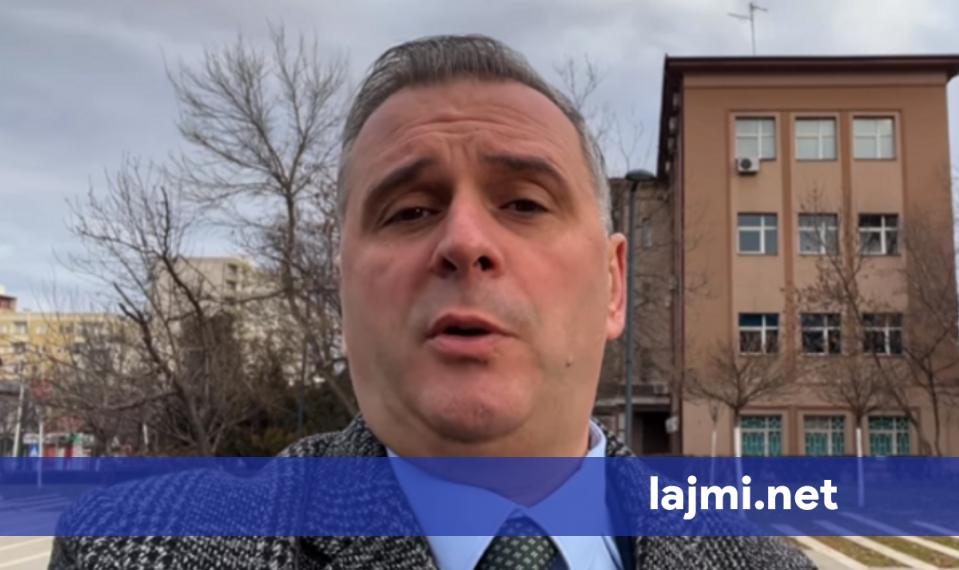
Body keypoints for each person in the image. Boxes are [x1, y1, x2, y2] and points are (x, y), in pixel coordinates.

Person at [49, 35, 813, 569]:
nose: (464, 241)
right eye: (409, 211)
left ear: (613, 284)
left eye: (523, 203)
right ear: (343, 288)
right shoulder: (133, 551)